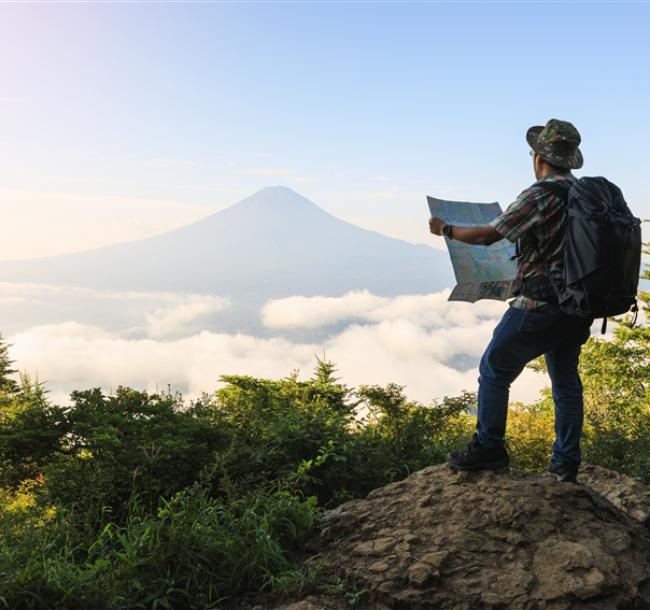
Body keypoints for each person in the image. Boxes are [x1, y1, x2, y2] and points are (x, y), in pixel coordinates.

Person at [428, 118, 593, 483]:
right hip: (578, 307)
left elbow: (489, 236)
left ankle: (489, 448)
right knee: (565, 380)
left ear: (539, 158)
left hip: (541, 306)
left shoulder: (540, 194)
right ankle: (565, 464)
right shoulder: (585, 195)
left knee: (494, 367)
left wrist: (448, 229)